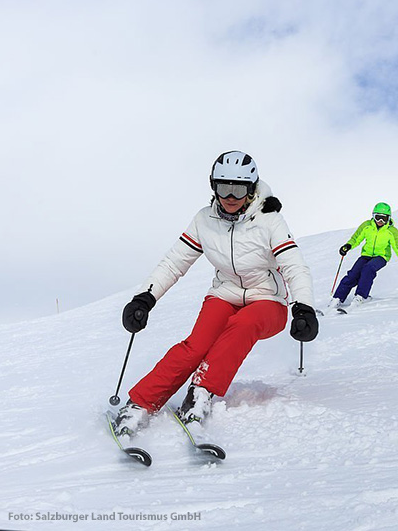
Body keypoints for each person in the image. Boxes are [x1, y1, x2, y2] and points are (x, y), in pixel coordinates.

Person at [114, 151, 319, 436]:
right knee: (196, 346)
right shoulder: (204, 220)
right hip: (224, 294)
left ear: (251, 190)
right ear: (214, 187)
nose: (230, 197)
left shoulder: (270, 221)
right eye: (224, 188)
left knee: (242, 325)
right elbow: (175, 262)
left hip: (267, 300)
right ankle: (140, 403)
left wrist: (304, 308)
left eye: (239, 189)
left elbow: (293, 265)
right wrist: (144, 298)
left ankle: (201, 392)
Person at [329, 202, 398, 308]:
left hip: (381, 257)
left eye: (384, 218)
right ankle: (337, 298)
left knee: (368, 269)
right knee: (353, 274)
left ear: (388, 218)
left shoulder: (392, 232)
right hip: (366, 255)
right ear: (373, 216)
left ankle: (360, 296)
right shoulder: (367, 226)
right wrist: (348, 246)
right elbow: (356, 238)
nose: (380, 221)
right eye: (378, 217)